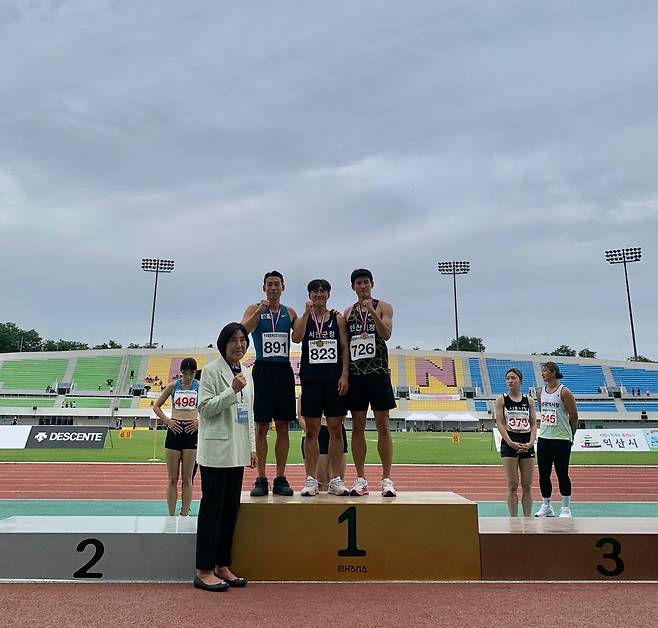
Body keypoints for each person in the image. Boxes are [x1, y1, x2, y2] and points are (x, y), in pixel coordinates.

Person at [194, 323, 257, 592]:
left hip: (237, 451)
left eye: (243, 340)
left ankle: (222, 565)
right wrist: (231, 390)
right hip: (216, 452)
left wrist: (252, 447)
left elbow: (249, 414)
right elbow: (206, 409)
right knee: (212, 511)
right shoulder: (210, 371)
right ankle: (203, 570)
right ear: (223, 343)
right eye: (233, 340)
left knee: (231, 510)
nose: (239, 345)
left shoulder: (246, 372)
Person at [241, 271, 298, 497]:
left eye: (277, 284)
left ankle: (281, 477)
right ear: (263, 287)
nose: (273, 288)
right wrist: (258, 311)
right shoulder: (254, 309)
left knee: (283, 426)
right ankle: (261, 478)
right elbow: (243, 330)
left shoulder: (289, 312)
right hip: (262, 369)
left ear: (283, 287)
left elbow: (300, 335)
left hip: (284, 370)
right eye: (269, 285)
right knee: (261, 426)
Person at [292, 278, 350, 496]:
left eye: (323, 290)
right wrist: (306, 314)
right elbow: (296, 338)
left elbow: (344, 347)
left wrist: (344, 375)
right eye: (315, 291)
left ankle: (335, 479)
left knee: (336, 429)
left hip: (333, 380)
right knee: (312, 431)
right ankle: (311, 479)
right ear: (309, 295)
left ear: (328, 294)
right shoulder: (304, 319)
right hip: (311, 380)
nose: (319, 294)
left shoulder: (338, 318)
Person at [344, 268, 397, 497]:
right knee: (357, 425)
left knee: (383, 424)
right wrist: (344, 375)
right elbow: (345, 347)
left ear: (372, 284)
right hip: (356, 375)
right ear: (353, 287)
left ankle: (386, 479)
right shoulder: (347, 313)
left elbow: (386, 334)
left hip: (378, 372)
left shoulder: (384, 306)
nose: (362, 286)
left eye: (366, 282)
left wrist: (372, 312)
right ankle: (360, 478)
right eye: (358, 283)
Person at [153, 358, 200, 517]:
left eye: (191, 373)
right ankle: (171, 515)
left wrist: (199, 422)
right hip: (174, 430)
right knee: (173, 478)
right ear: (181, 372)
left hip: (191, 431)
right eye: (185, 373)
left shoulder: (199, 387)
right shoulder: (173, 386)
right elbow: (156, 406)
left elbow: (209, 408)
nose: (188, 377)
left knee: (187, 478)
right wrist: (168, 421)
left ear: (195, 372)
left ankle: (185, 513)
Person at [534, 362, 579, 518]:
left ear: (554, 373)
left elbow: (574, 417)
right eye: (542, 371)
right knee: (543, 473)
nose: (542, 374)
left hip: (561, 438)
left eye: (545, 371)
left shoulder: (564, 392)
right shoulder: (540, 392)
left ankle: (565, 508)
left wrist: (570, 436)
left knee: (562, 472)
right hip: (544, 437)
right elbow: (543, 411)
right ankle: (546, 506)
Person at [494, 368, 537, 517]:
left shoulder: (529, 401)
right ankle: (513, 518)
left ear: (520, 381)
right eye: (508, 378)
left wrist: (531, 442)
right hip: (509, 441)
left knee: (527, 485)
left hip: (526, 442)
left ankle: (527, 518)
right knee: (512, 485)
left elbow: (533, 423)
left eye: (513, 378)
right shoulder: (501, 399)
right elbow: (499, 423)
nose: (510, 381)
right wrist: (510, 442)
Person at [299, 415, 348, 491]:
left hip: (337, 431)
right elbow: (300, 415)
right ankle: (320, 502)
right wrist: (312, 433)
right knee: (320, 481)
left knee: (338, 481)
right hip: (316, 431)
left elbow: (342, 416)